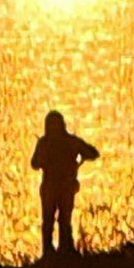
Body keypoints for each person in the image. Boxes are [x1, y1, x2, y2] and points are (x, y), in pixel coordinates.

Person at [31, 108, 99, 257]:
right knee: (55, 219)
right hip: (57, 187)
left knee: (58, 219)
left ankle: (59, 250)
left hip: (60, 187)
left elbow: (93, 153)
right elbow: (35, 163)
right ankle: (55, 251)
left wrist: (82, 156)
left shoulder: (49, 142)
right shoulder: (68, 142)